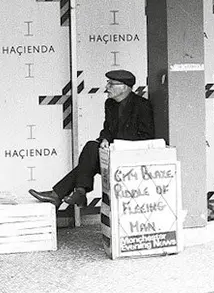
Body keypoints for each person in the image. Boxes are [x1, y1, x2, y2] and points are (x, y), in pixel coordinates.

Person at [31, 68, 155, 207]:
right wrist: (105, 139)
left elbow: (146, 137)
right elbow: (107, 128)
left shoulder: (142, 106)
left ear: (124, 87)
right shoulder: (110, 104)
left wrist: (118, 145)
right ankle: (79, 191)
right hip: (112, 153)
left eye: (111, 84)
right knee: (91, 148)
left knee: (87, 164)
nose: (107, 87)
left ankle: (62, 194)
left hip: (130, 156)